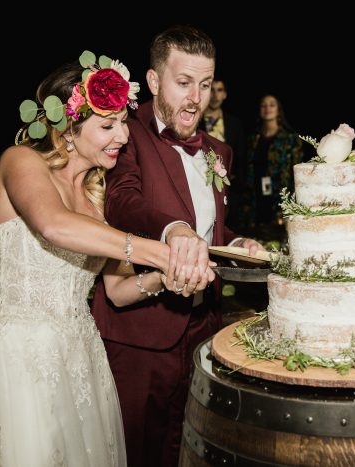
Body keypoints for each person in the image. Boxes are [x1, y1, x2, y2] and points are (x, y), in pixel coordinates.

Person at [0, 51, 212, 467]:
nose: (122, 135)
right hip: (20, 360)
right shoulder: (20, 162)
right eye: (107, 125)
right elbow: (51, 224)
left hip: (83, 363)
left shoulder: (95, 205)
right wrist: (159, 250)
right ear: (68, 129)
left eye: (123, 121)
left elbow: (119, 292)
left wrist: (169, 275)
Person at [90, 26, 263, 466]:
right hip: (141, 335)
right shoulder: (121, 134)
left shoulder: (220, 152)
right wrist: (174, 230)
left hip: (205, 328)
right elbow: (121, 198)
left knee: (196, 449)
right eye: (183, 83)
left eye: (204, 85)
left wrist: (238, 243)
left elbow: (212, 235)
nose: (195, 98)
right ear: (152, 81)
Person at [240, 94, 305, 234]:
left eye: (272, 104)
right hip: (256, 197)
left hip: (280, 198)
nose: (267, 108)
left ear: (278, 110)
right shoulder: (253, 138)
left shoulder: (290, 138)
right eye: (264, 105)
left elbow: (298, 173)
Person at [199, 79, 246, 229]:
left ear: (225, 95)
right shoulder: (194, 120)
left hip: (229, 190)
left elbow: (241, 156)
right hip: (201, 186)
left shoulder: (234, 123)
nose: (215, 95)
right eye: (211, 90)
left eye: (219, 90)